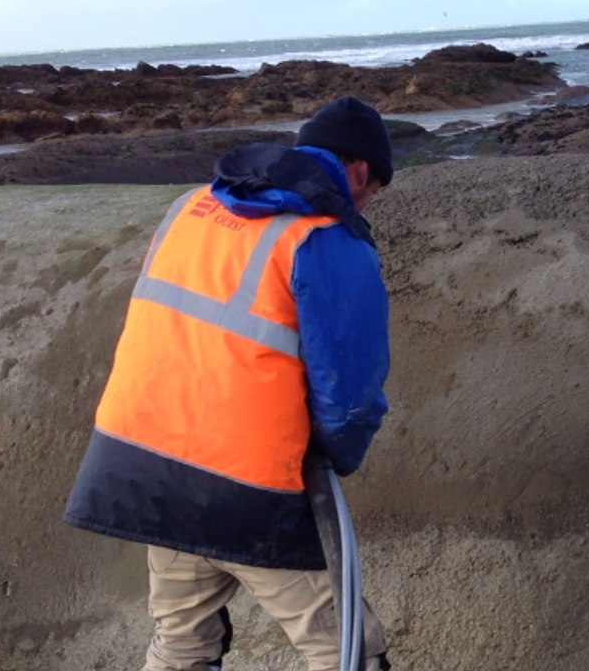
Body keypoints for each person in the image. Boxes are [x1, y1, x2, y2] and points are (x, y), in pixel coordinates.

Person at [62, 96, 395, 671]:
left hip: (145, 465)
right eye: (374, 192)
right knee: (348, 650)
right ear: (361, 171)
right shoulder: (326, 239)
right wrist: (335, 458)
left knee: (181, 643)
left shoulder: (189, 207)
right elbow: (348, 402)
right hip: (246, 486)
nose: (365, 203)